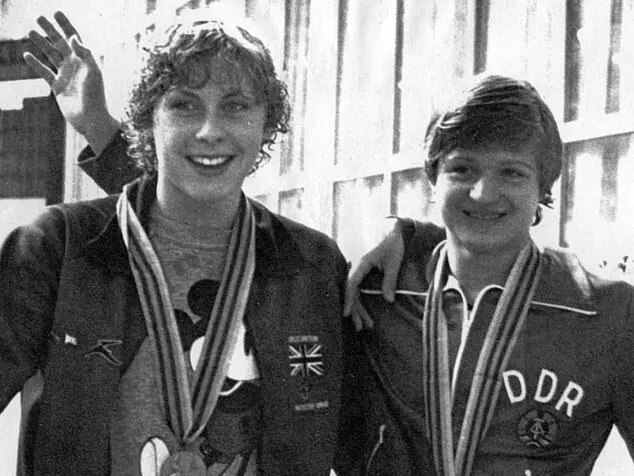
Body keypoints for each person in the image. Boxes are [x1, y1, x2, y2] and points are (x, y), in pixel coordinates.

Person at [1, 11, 376, 476]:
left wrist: (418, 239)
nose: (209, 130)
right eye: (184, 105)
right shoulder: (61, 248)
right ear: (148, 120)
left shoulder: (310, 266)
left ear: (266, 123)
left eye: (236, 106)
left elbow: (369, 442)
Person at [346, 75, 634, 475]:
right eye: (462, 169)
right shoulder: (379, 293)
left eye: (512, 173)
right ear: (433, 178)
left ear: (543, 186)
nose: (483, 193)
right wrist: (402, 230)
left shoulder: (609, 314)